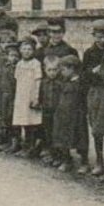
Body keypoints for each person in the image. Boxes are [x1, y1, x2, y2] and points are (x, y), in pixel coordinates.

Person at [42, 18, 82, 168]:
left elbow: (75, 70)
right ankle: (54, 153)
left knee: (62, 127)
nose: (55, 35)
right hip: (48, 92)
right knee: (50, 126)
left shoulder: (69, 50)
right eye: (52, 31)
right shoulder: (44, 49)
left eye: (58, 32)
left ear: (63, 32)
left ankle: (66, 156)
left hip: (64, 92)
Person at [82, 19, 104, 178]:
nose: (101, 40)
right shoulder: (89, 52)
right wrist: (92, 72)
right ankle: (100, 160)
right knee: (96, 128)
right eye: (97, 36)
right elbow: (84, 75)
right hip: (95, 92)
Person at [52, 55, 86, 171]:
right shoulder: (63, 82)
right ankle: (66, 160)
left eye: (63, 70)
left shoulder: (80, 83)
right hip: (63, 114)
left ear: (72, 69)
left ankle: (84, 162)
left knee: (80, 138)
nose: (61, 72)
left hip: (76, 115)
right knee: (62, 137)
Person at [12, 37, 43, 157]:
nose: (26, 51)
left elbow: (38, 81)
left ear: (33, 50)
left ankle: (31, 147)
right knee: (22, 122)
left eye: (29, 49)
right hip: (21, 97)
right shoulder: (19, 64)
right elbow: (17, 79)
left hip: (31, 96)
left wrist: (36, 97)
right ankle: (23, 146)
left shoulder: (36, 64)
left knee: (31, 123)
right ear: (20, 50)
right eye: (24, 49)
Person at [39, 55, 64, 165]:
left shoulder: (61, 83)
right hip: (46, 111)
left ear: (59, 70)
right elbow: (41, 95)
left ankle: (60, 156)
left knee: (58, 134)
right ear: (45, 70)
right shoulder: (43, 82)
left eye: (55, 70)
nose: (52, 73)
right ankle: (51, 154)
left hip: (57, 112)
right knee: (48, 133)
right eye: (49, 70)